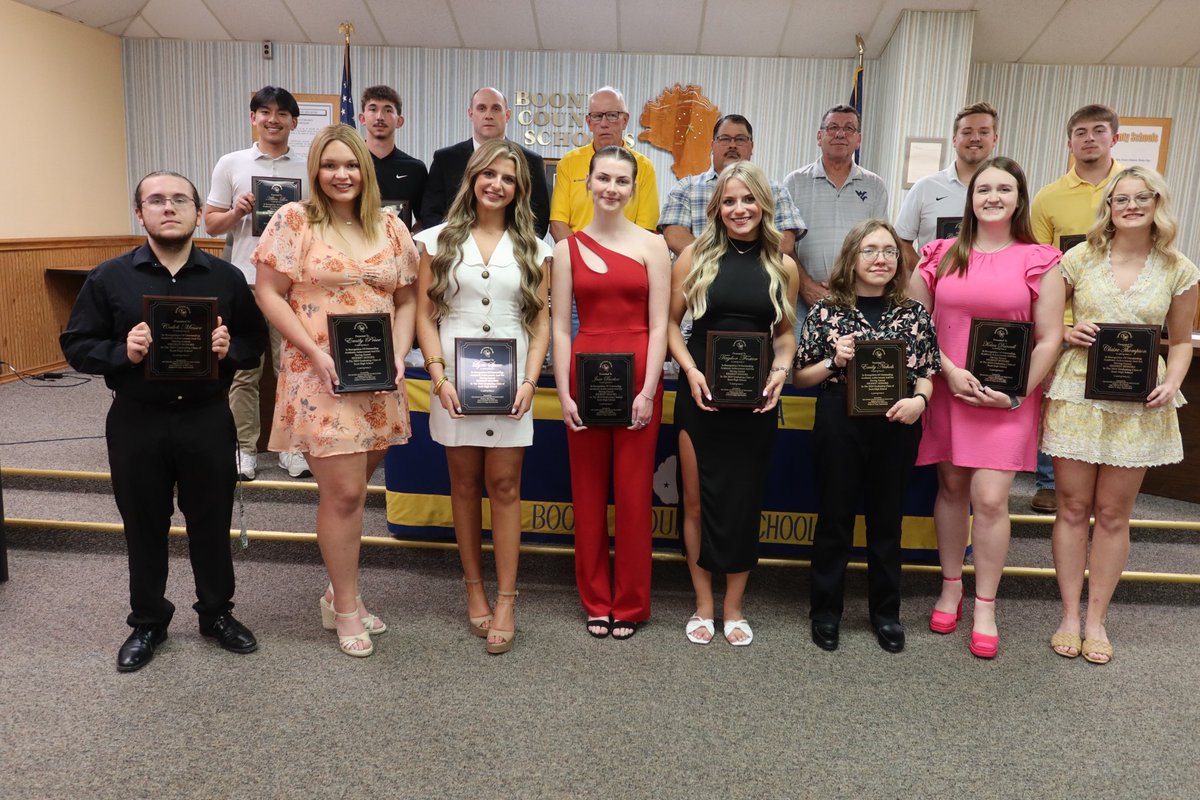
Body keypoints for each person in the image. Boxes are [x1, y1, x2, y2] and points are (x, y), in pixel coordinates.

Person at [61, 171, 267, 672]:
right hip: (137, 422)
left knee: (210, 523)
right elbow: (76, 345)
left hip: (205, 420)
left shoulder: (226, 278)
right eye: (156, 200)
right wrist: (121, 351)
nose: (168, 207)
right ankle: (148, 620)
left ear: (199, 212)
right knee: (143, 525)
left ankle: (216, 613)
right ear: (140, 214)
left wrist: (228, 349)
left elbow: (252, 339)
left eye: (180, 199)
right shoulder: (110, 277)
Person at [251, 124, 418, 658]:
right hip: (319, 373)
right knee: (344, 495)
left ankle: (334, 591)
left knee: (358, 486)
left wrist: (398, 351)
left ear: (364, 171)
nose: (341, 174)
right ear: (316, 171)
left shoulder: (392, 227)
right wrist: (316, 352)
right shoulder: (293, 220)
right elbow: (269, 292)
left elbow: (411, 298)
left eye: (350, 165)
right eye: (330, 165)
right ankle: (347, 607)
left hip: (378, 379)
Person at [907, 156, 1065, 659]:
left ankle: (986, 604)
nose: (992, 197)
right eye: (983, 190)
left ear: (1020, 197)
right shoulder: (939, 255)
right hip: (950, 390)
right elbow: (917, 325)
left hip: (1007, 400)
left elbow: (1050, 338)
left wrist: (1016, 393)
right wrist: (949, 372)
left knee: (992, 499)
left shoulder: (1041, 260)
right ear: (970, 199)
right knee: (952, 488)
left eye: (1003, 189)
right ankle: (951, 585)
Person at [1041, 167, 1198, 665]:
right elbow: (1046, 323)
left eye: (1140, 197)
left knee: (1112, 514)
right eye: (1120, 198)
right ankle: (1068, 614)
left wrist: (1172, 381)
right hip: (1079, 396)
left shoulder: (1179, 267)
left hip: (1137, 402)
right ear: (1108, 206)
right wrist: (1069, 331)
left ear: (1157, 203)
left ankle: (1096, 619)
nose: (1130, 205)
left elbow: (1181, 340)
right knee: (1071, 506)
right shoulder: (1078, 258)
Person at [413, 140, 552, 654]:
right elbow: (426, 316)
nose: (497, 184)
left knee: (507, 484)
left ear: (520, 190)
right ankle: (474, 589)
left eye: (508, 178)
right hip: (454, 382)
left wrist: (531, 382)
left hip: (513, 381)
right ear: (472, 178)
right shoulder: (434, 241)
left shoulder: (538, 248)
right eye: (488, 174)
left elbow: (541, 322)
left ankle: (508, 598)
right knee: (466, 484)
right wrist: (438, 376)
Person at [667, 161, 800, 647]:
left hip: (757, 402)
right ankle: (704, 605)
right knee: (697, 502)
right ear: (716, 208)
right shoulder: (693, 259)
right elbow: (668, 326)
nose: (739, 209)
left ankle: (734, 607)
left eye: (748, 200)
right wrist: (692, 369)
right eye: (729, 201)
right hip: (700, 397)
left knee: (745, 504)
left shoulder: (781, 266)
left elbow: (784, 335)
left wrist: (781, 372)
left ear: (763, 204)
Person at [794, 220, 939, 654]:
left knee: (886, 522)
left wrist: (921, 402)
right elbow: (801, 376)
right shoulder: (826, 311)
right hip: (840, 421)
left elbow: (928, 372)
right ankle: (825, 612)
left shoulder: (914, 313)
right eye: (871, 250)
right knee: (834, 519)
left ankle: (885, 614)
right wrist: (834, 362)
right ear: (852, 258)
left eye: (890, 251)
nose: (881, 259)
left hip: (897, 424)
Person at [551, 146, 671, 640]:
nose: (612, 188)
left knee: (634, 494)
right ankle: (596, 599)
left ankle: (632, 602)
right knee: (588, 493)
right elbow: (560, 327)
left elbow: (661, 325)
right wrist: (563, 393)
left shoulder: (653, 246)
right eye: (603, 178)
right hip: (585, 370)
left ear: (634, 189)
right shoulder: (565, 249)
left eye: (622, 181)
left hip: (641, 373)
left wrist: (647, 389)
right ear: (588, 183)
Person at [205, 85, 312, 480]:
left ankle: (293, 448)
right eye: (264, 112)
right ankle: (243, 450)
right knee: (244, 370)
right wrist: (237, 211)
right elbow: (211, 226)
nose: (273, 119)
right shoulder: (231, 163)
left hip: (293, 285)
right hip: (245, 283)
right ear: (253, 118)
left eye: (282, 113)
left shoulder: (307, 166)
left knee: (293, 368)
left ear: (293, 122)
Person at [1028, 104, 1124, 514]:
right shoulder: (1048, 197)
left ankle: (1111, 481)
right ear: (1069, 143)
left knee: (1113, 405)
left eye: (1098, 131)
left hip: (1120, 323)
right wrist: (1058, 326)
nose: (1089, 138)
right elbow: (1039, 266)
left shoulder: (1133, 189)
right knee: (1057, 405)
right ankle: (1050, 481)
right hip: (1064, 322)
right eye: (1080, 132)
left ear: (1114, 138)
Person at [783, 104, 887, 323]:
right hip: (803, 300)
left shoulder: (874, 186)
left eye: (849, 128)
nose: (840, 134)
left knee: (853, 358)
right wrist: (807, 287)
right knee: (802, 358)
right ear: (819, 136)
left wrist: (854, 285)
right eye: (833, 127)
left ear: (858, 139)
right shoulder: (794, 182)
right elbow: (783, 247)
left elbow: (879, 245)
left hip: (858, 298)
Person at [659, 113, 806, 257]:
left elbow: (785, 244)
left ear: (752, 146)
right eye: (724, 139)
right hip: (699, 277)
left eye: (740, 139)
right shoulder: (686, 188)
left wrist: (743, 265)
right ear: (712, 145)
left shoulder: (775, 190)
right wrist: (719, 266)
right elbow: (674, 236)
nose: (732, 145)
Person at [422, 87, 551, 237]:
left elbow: (539, 218)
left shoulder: (531, 161)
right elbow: (431, 213)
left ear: (507, 115)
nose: (488, 115)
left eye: (496, 109)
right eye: (481, 108)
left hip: (512, 253)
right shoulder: (445, 159)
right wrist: (457, 243)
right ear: (470, 114)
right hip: (454, 250)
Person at [896, 102, 999, 269]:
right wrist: (927, 277)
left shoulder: (1006, 192)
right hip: (931, 293)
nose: (975, 138)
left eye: (983, 132)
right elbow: (901, 242)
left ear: (994, 139)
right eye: (967, 132)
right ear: (954, 139)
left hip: (987, 292)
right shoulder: (925, 188)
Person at [549, 87, 659, 242]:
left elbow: (645, 229)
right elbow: (557, 223)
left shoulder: (644, 167)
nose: (604, 123)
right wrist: (579, 258)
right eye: (597, 116)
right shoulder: (568, 163)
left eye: (612, 115)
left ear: (625, 120)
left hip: (625, 259)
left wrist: (613, 260)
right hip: (575, 259)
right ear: (588, 122)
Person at [358, 84, 427, 230]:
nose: (380, 117)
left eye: (388, 110)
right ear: (362, 118)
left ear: (399, 121)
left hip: (399, 250)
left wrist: (412, 243)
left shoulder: (415, 169)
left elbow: (424, 220)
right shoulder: (349, 165)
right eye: (373, 109)